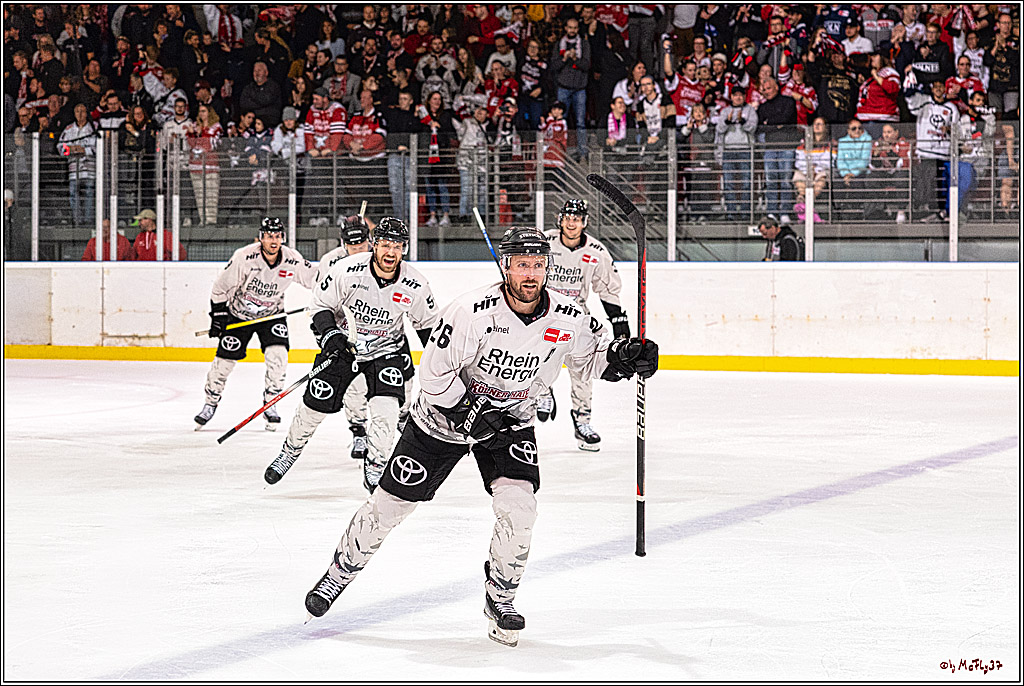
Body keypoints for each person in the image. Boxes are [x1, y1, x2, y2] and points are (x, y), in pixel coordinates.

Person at [300, 226, 659, 648]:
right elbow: (434, 375)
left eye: (538, 264)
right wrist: (468, 412)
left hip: (510, 422)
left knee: (520, 509)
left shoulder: (570, 315)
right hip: (440, 421)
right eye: (522, 264)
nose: (530, 274)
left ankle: (501, 598)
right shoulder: (470, 311)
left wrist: (625, 358)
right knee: (389, 507)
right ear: (505, 265)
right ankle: (339, 572)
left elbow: (591, 360)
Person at [264, 217, 438, 492]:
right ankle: (289, 452)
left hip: (386, 351)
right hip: (345, 348)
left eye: (397, 246)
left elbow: (428, 328)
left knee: (386, 413)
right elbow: (320, 305)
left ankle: (376, 465)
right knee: (312, 407)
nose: (391, 252)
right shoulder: (347, 270)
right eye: (385, 245)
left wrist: (442, 362)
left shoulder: (415, 284)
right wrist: (331, 335)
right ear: (374, 244)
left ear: (404, 249)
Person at [194, 217, 316, 430]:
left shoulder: (292, 260)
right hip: (239, 314)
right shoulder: (244, 257)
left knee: (278, 357)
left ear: (283, 238)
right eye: (269, 236)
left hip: (272, 315)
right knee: (223, 363)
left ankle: (271, 402)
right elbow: (220, 288)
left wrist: (335, 292)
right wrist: (218, 317)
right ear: (260, 238)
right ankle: (210, 402)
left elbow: (316, 280)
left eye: (277, 236)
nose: (273, 241)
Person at [536, 200, 629, 450]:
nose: (571, 223)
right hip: (544, 315)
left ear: (584, 222)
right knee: (535, 360)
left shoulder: (596, 251)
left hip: (577, 318)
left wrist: (619, 322)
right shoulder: (545, 242)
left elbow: (607, 288)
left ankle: (582, 421)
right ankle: (543, 393)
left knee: (583, 371)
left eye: (576, 218)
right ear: (560, 220)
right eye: (567, 217)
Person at [715, 85, 758, 220]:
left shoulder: (750, 110)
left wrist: (742, 121)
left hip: (745, 150)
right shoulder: (725, 111)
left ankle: (746, 213)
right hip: (728, 150)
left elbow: (753, 128)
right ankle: (731, 213)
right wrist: (727, 121)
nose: (738, 98)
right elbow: (719, 129)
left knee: (746, 183)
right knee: (728, 183)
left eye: (740, 95)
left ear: (744, 97)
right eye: (735, 95)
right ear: (731, 97)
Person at [59, 102, 97, 226]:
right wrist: (71, 150)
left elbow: (98, 147)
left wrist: (84, 150)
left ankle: (88, 221)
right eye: (77, 111)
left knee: (89, 194)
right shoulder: (68, 129)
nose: (80, 114)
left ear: (87, 113)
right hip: (73, 170)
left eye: (82, 111)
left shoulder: (94, 127)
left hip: (90, 170)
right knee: (73, 194)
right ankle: (77, 221)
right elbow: (60, 147)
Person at [834, 118, 873, 219]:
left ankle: (856, 213)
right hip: (845, 174)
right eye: (854, 128)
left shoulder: (867, 139)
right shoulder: (842, 142)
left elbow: (864, 161)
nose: (857, 131)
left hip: (861, 173)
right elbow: (840, 161)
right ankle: (838, 212)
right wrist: (846, 174)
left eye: (860, 128)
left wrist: (852, 174)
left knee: (857, 184)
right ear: (848, 131)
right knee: (836, 184)